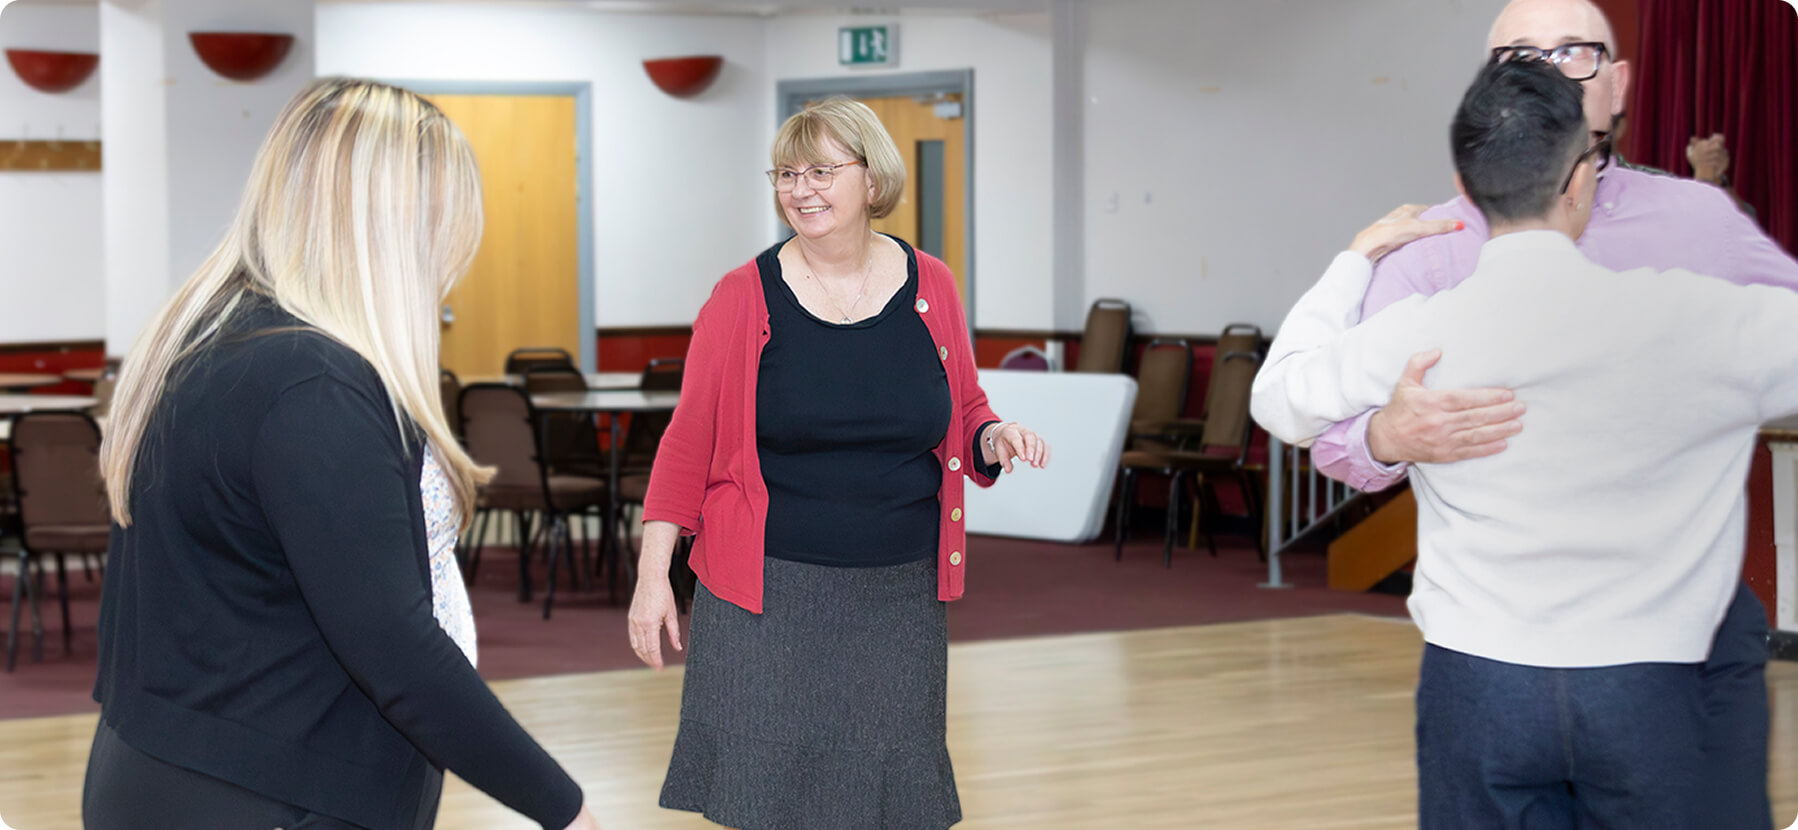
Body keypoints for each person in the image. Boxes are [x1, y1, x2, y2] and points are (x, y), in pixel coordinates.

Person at [1251, 58, 1798, 828]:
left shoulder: (1421, 333)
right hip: (1654, 680)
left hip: (1479, 682)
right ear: (1583, 178)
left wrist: (1355, 259)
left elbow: (1278, 399)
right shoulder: (1689, 316)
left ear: (1467, 187)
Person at [87, 78, 601, 830]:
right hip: (269, 795)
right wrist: (566, 809)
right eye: (449, 222)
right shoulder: (314, 383)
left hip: (172, 767)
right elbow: (394, 650)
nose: (458, 251)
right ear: (399, 227)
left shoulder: (212, 339)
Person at [625, 96, 1050, 830]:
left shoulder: (933, 285)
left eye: (822, 169)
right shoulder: (741, 296)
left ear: (872, 180)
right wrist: (651, 575)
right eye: (786, 173)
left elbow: (963, 407)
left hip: (898, 594)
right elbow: (687, 441)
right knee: (769, 799)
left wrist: (993, 436)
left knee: (886, 799)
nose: (801, 187)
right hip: (767, 595)